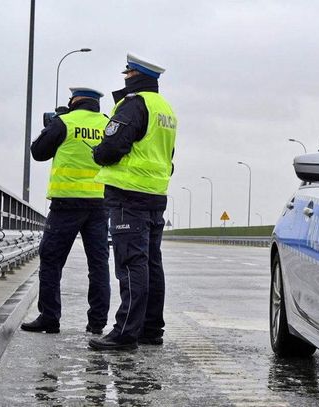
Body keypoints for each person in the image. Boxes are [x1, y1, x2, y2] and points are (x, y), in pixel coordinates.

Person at [89, 53, 177, 351]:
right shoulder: (165, 108)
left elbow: (113, 145)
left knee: (130, 263)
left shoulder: (134, 104)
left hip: (129, 193)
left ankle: (125, 332)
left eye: (125, 73)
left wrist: (98, 154)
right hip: (155, 193)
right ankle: (151, 330)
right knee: (152, 263)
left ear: (132, 76)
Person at [21, 88, 110, 335]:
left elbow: (38, 152)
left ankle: (49, 318)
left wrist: (51, 126)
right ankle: (97, 323)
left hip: (66, 205)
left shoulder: (65, 122)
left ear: (74, 101)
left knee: (51, 259)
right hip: (99, 204)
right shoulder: (107, 124)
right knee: (99, 264)